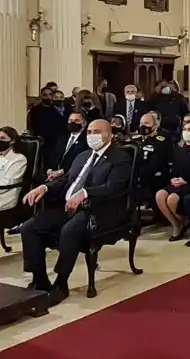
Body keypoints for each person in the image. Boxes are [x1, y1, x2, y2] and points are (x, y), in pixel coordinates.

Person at [20, 119, 132, 305]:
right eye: (89, 132)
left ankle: (61, 282)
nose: (92, 136)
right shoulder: (82, 156)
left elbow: (114, 187)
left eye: (97, 132)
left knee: (69, 230)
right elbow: (66, 179)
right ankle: (39, 279)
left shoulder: (120, 158)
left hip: (99, 209)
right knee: (29, 228)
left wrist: (85, 193)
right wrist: (44, 188)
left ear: (110, 134)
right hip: (67, 207)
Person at [155, 120, 190, 242]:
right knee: (160, 195)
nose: (186, 132)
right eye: (184, 129)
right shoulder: (179, 148)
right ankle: (177, 225)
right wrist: (173, 178)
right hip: (178, 182)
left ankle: (185, 221)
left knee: (172, 199)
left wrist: (185, 180)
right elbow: (175, 169)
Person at [45, 112, 89, 183]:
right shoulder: (62, 137)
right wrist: (50, 169)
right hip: (53, 175)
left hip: (70, 177)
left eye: (76, 121)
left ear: (84, 123)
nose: (72, 123)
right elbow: (54, 155)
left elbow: (80, 163)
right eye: (70, 120)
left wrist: (61, 172)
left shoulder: (86, 141)